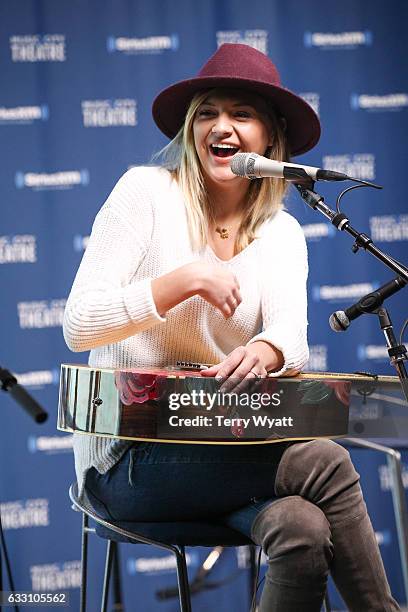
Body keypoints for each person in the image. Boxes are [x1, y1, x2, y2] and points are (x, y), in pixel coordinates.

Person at [63, 43, 399, 611]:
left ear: (271, 138)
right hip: (129, 461)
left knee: (303, 528)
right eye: (209, 113)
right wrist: (185, 280)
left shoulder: (282, 232)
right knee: (325, 460)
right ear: (193, 128)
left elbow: (291, 335)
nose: (221, 126)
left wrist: (268, 350)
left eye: (241, 114)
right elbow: (78, 324)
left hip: (226, 450)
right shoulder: (144, 192)